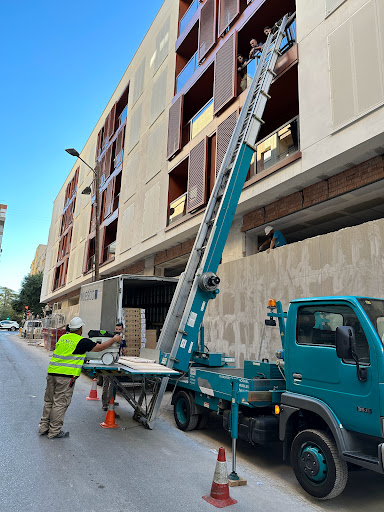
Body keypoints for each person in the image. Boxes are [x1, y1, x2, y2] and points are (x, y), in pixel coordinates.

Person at [38, 316, 121, 439]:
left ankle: (44, 427)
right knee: (60, 403)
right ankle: (54, 431)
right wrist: (114, 339)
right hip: (65, 377)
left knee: (49, 401)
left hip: (52, 373)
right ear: (80, 329)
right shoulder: (81, 341)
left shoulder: (63, 338)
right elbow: (100, 348)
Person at [101, 322, 127, 411]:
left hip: (115, 362)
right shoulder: (110, 337)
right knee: (106, 383)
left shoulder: (122, 339)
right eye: (116, 329)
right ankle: (104, 403)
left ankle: (110, 400)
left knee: (112, 383)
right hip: (107, 362)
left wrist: (124, 350)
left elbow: (124, 351)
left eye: (120, 330)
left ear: (122, 330)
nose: (118, 331)